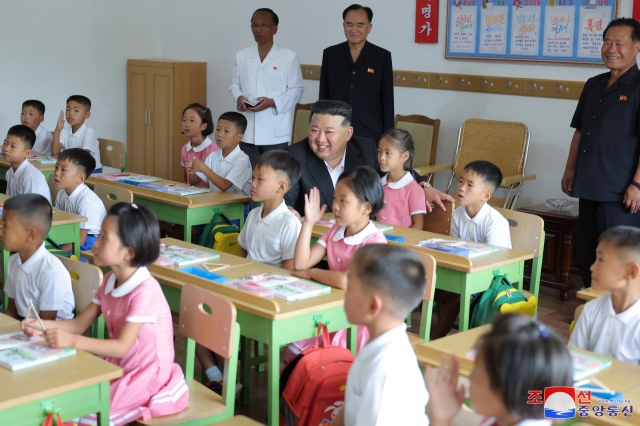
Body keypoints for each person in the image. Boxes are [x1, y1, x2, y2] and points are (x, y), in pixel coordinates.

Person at [22, 203, 189, 425]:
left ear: (128, 252)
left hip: (145, 376)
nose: (96, 243)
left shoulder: (145, 291)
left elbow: (121, 346)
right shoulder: (110, 279)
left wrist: (73, 341)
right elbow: (79, 324)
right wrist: (41, 324)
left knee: (82, 412)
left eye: (104, 237)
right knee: (64, 396)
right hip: (119, 365)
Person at [196, 150, 302, 394]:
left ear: (281, 186)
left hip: (268, 293)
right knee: (199, 314)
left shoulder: (289, 223)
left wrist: (249, 282)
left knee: (222, 321)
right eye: (253, 178)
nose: (252, 185)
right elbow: (241, 257)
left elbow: (288, 271)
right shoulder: (253, 214)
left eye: (259, 180)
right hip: (243, 286)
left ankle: (227, 380)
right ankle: (220, 379)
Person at [561, 18, 640, 288]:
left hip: (621, 190)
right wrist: (570, 169)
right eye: (607, 42)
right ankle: (590, 307)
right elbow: (580, 132)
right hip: (588, 182)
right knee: (590, 253)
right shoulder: (594, 84)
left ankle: (619, 316)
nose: (611, 48)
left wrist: (637, 184)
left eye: (620, 43)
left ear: (637, 47)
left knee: (617, 255)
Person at [285, 100, 454, 216]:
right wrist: (287, 209)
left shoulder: (366, 149)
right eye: (314, 130)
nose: (320, 139)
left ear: (348, 133)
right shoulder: (295, 155)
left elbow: (399, 172)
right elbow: (287, 195)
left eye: (329, 132)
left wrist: (423, 186)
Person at [288, 166, 386, 361]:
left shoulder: (374, 242)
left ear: (366, 207)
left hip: (359, 321)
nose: (336, 206)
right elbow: (300, 264)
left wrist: (311, 273)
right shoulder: (335, 231)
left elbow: (345, 281)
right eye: (335, 198)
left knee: (320, 358)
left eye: (344, 200)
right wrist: (308, 223)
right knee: (293, 352)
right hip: (333, 311)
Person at [331, 245, 429, 426]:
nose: (345, 294)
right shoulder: (380, 342)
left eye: (350, 286)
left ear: (372, 306)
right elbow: (349, 410)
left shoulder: (383, 374)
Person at [425, 313, 573, 426]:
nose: (469, 378)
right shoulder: (506, 418)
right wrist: (442, 418)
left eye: (476, 373)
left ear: (505, 390)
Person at [432, 160, 511, 340]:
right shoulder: (458, 213)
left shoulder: (494, 222)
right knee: (429, 287)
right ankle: (424, 337)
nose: (461, 188)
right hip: (464, 274)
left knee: (456, 301)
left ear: (486, 195)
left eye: (470, 185)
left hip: (491, 279)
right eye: (461, 181)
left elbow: (496, 262)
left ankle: (431, 343)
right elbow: (454, 249)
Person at [229, 7, 304, 166]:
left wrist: (272, 102)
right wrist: (240, 98)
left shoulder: (289, 57)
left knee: (272, 174)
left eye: (264, 25)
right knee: (247, 175)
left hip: (275, 129)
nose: (258, 29)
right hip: (248, 128)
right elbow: (234, 84)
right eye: (255, 25)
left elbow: (297, 90)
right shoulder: (242, 56)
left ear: (275, 29)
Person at [319, 4, 393, 142]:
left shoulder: (382, 57)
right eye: (349, 25)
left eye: (360, 25)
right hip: (335, 131)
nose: (354, 30)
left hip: (370, 133)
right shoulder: (331, 54)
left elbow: (387, 101)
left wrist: (388, 137)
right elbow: (324, 97)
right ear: (343, 26)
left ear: (369, 28)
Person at [569, 226, 640, 364]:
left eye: (601, 260)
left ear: (630, 272)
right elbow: (573, 361)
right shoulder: (591, 310)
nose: (592, 267)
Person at [3, 194, 74, 321]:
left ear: (30, 235)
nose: (1, 231)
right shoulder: (14, 261)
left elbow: (45, 327)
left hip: (52, 333)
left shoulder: (50, 272)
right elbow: (12, 312)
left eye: (6, 226)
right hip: (25, 324)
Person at [185, 112, 252, 196]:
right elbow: (194, 181)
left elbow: (224, 186)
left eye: (226, 131)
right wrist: (192, 171)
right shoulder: (213, 156)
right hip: (216, 204)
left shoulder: (242, 160)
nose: (220, 134)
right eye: (218, 129)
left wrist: (203, 168)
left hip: (237, 206)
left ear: (239, 137)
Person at [54, 148, 107, 252]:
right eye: (56, 167)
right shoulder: (61, 194)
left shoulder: (86, 201)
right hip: (70, 234)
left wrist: (58, 254)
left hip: (90, 242)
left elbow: (80, 240)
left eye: (63, 170)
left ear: (80, 178)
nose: (56, 173)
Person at [376, 128, 426, 229]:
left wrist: (402, 242)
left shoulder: (414, 189)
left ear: (405, 156)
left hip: (401, 243)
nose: (381, 157)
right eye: (379, 151)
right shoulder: (378, 185)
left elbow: (418, 225)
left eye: (388, 153)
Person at [51, 95, 103, 171]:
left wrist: (63, 154)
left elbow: (83, 156)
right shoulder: (64, 131)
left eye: (76, 110)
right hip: (72, 168)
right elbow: (55, 152)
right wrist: (57, 129)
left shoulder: (88, 132)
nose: (71, 113)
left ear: (87, 115)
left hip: (90, 170)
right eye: (68, 109)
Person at [3, 125, 51, 203]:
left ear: (27, 153)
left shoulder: (31, 177)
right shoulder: (9, 173)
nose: (6, 148)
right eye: (5, 143)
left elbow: (32, 209)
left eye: (13, 146)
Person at [181, 103, 218, 188]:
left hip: (208, 196)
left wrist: (192, 170)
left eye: (192, 120)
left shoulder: (212, 150)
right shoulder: (184, 148)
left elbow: (195, 180)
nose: (186, 124)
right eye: (184, 120)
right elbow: (186, 179)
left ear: (204, 126)